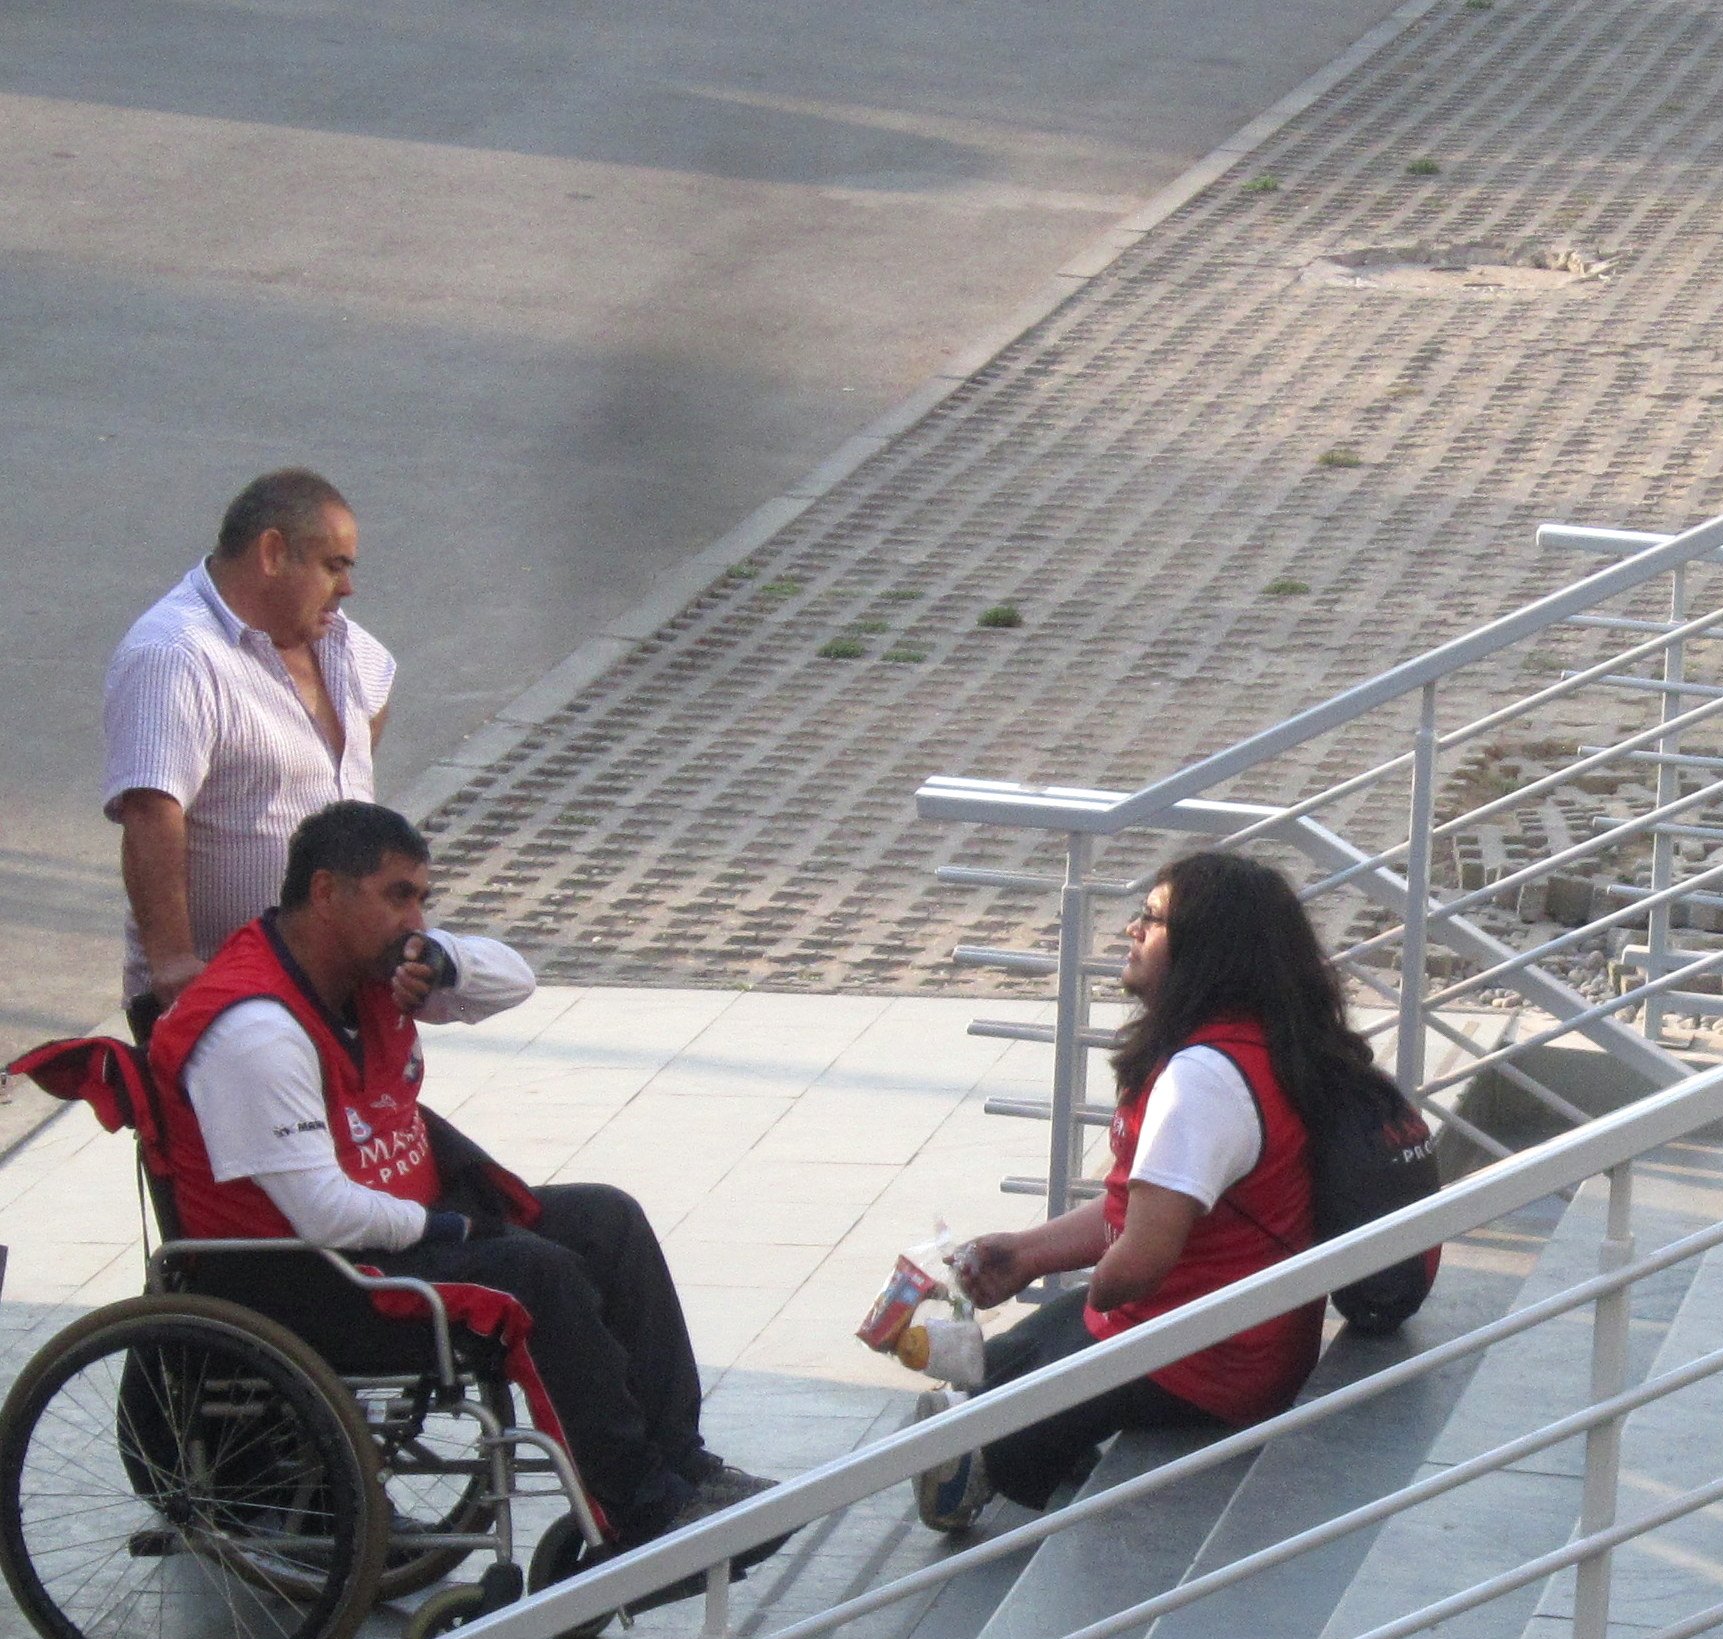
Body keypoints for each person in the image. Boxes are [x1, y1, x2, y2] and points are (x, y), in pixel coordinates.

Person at [147, 799, 771, 1551]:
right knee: (536, 1275)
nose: (414, 920)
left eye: (423, 899)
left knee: (608, 1219)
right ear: (324, 892)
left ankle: (681, 1464)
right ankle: (639, 1509)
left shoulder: (375, 971)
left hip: (393, 1233)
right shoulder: (254, 1029)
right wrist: (447, 1226)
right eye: (398, 896)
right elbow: (322, 1214)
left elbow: (516, 981)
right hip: (312, 1276)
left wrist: (445, 955)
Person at [878, 848, 1387, 1514]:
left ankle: (980, 1461)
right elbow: (1146, 1206)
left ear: (1206, 949)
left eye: (1151, 919)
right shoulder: (1259, 1044)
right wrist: (1030, 1253)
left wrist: (1098, 1308)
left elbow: (1141, 1260)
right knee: (1021, 1347)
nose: (1131, 931)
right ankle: (990, 1430)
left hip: (1205, 1361)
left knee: (1016, 1409)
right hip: (1233, 1336)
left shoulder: (1201, 1081)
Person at [105, 470, 392, 1018]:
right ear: (273, 553)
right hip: (223, 999)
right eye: (335, 566)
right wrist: (173, 964)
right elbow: (150, 811)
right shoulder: (176, 654)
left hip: (335, 987)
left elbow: (378, 695)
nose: (348, 587)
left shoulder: (335, 637)